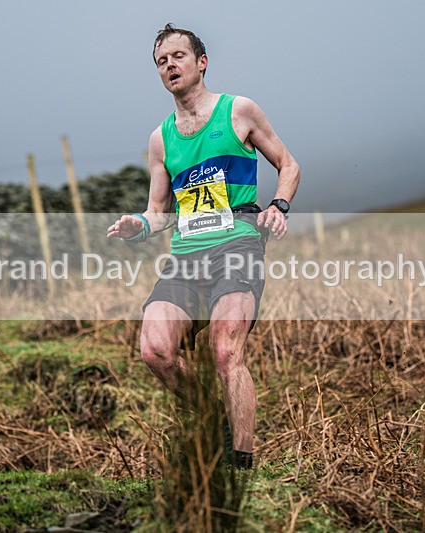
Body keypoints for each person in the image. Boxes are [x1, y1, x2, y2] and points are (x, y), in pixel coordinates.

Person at [108, 23, 300, 469]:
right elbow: (159, 211)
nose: (170, 65)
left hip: (237, 246)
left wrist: (279, 205)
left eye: (178, 56)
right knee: (154, 349)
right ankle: (215, 418)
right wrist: (137, 225)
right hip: (186, 258)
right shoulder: (161, 139)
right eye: (161, 61)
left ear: (201, 62)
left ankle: (241, 463)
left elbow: (289, 165)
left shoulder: (239, 111)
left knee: (224, 350)